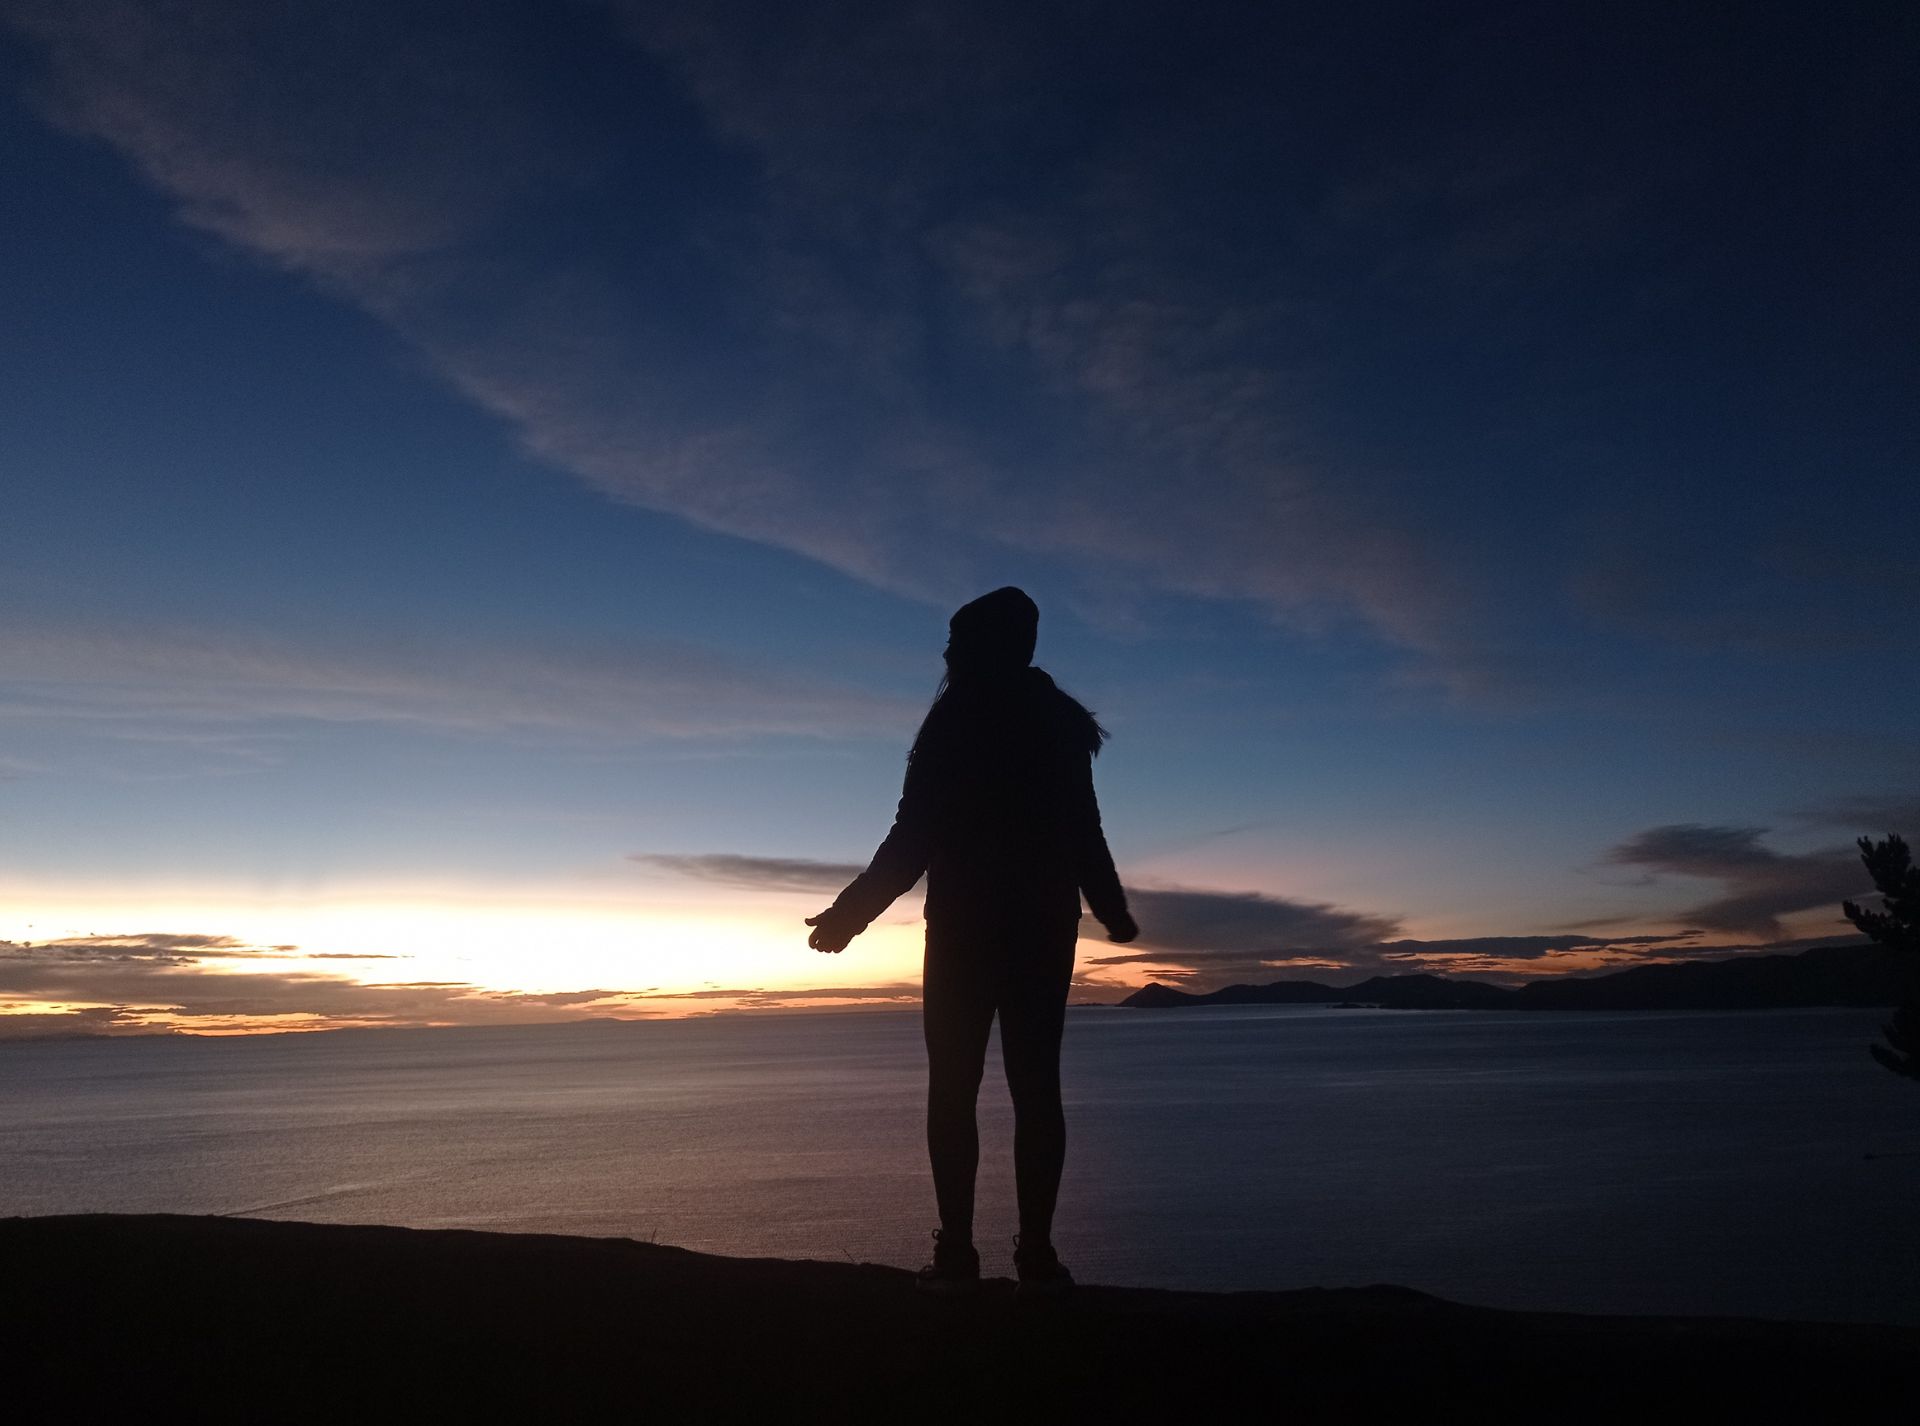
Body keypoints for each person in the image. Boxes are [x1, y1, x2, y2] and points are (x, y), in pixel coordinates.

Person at [805, 587, 1137, 1297]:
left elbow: (913, 837)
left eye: (958, 642)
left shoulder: (956, 723)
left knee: (957, 1090)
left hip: (964, 933)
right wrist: (1110, 910)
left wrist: (849, 915)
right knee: (1034, 1091)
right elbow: (1085, 830)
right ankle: (1035, 1259)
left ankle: (961, 1256)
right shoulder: (1053, 720)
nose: (948, 654)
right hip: (1043, 931)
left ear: (989, 646)